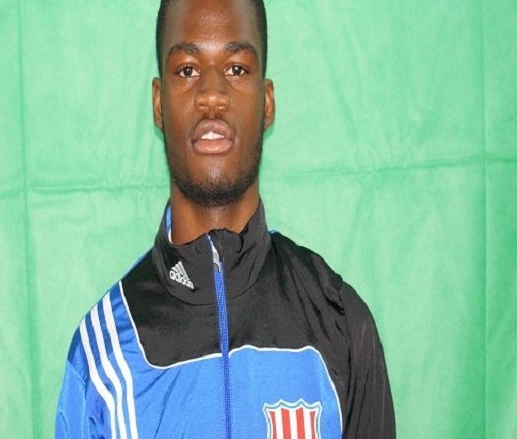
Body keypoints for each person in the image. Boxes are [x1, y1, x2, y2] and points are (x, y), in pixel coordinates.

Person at [55, 0, 395, 437]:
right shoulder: (103, 356)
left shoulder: (339, 321)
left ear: (267, 102)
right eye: (187, 70)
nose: (212, 95)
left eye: (236, 69)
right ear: (158, 104)